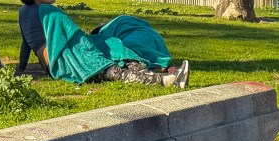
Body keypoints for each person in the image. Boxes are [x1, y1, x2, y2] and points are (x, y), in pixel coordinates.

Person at [17, 0, 189, 88]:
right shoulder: (48, 11)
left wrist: (21, 67)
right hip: (67, 60)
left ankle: (168, 75)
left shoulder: (24, 11)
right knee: (114, 60)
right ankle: (165, 79)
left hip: (55, 66)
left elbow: (27, 44)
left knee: (113, 52)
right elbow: (73, 38)